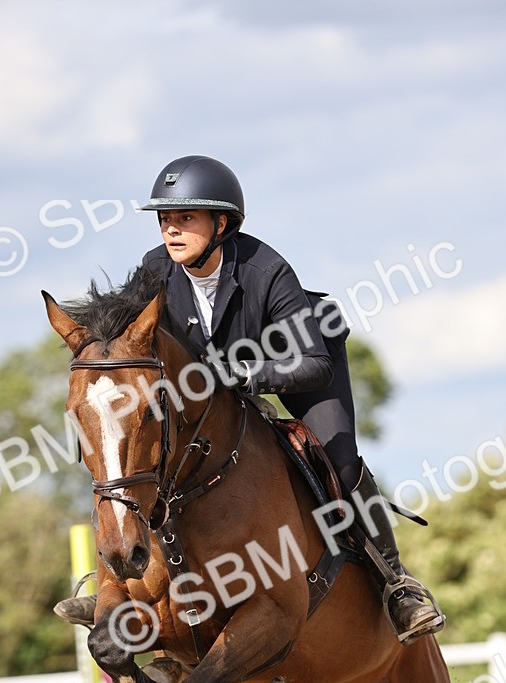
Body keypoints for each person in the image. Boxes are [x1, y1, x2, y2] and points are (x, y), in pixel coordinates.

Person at [59, 155, 443, 644]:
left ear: (222, 224)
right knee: (137, 455)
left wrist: (245, 374)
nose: (171, 230)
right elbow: (126, 337)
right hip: (210, 388)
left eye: (185, 218)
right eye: (165, 219)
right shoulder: (156, 269)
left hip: (297, 369)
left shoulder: (267, 270)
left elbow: (314, 363)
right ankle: (119, 584)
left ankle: (396, 583)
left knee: (342, 462)